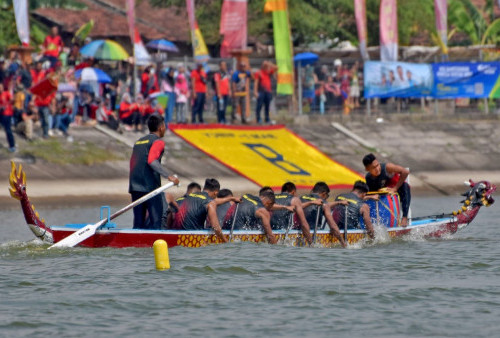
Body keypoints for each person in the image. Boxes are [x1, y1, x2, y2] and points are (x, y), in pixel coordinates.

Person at [129, 114, 179, 230]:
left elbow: (134, 163)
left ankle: (135, 245)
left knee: (138, 224)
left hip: (135, 186)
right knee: (156, 222)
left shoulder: (139, 142)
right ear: (161, 127)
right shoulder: (158, 142)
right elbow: (152, 161)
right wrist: (169, 176)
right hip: (150, 188)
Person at [363, 153, 411, 227]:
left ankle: (404, 218)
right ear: (367, 169)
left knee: (405, 186)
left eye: (377, 165)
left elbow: (405, 172)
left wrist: (395, 188)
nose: (377, 169)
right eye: (373, 168)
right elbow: (370, 193)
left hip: (397, 192)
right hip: (385, 197)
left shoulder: (387, 167)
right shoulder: (368, 178)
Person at [172, 178, 227, 242]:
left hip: (175, 236)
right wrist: (225, 240)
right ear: (215, 193)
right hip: (192, 239)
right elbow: (215, 227)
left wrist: (230, 199)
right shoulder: (210, 202)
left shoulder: (188, 197)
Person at [300, 182, 346, 247]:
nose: (326, 198)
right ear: (324, 194)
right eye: (327, 196)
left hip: (296, 233)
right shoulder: (323, 203)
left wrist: (339, 202)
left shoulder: (301, 198)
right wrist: (342, 242)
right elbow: (333, 226)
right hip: (313, 235)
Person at [0, 83, 16, 152]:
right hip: (1, 113)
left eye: (0, 87)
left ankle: (12, 146)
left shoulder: (6, 93)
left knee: (8, 130)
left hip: (7, 114)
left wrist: (12, 99)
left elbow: (12, 100)